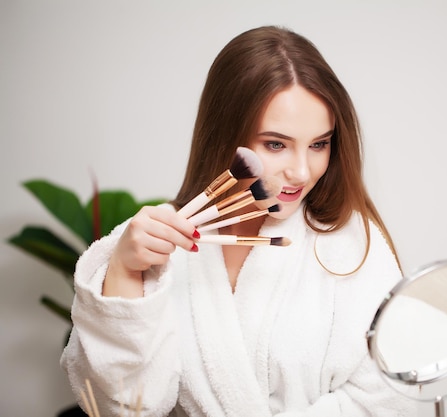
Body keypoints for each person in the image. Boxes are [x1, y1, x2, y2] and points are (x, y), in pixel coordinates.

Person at [61, 25, 416, 416]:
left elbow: (389, 400)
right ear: (225, 136)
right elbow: (126, 407)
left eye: (319, 144)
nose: (301, 171)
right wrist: (125, 272)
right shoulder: (168, 246)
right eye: (276, 144)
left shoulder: (353, 246)